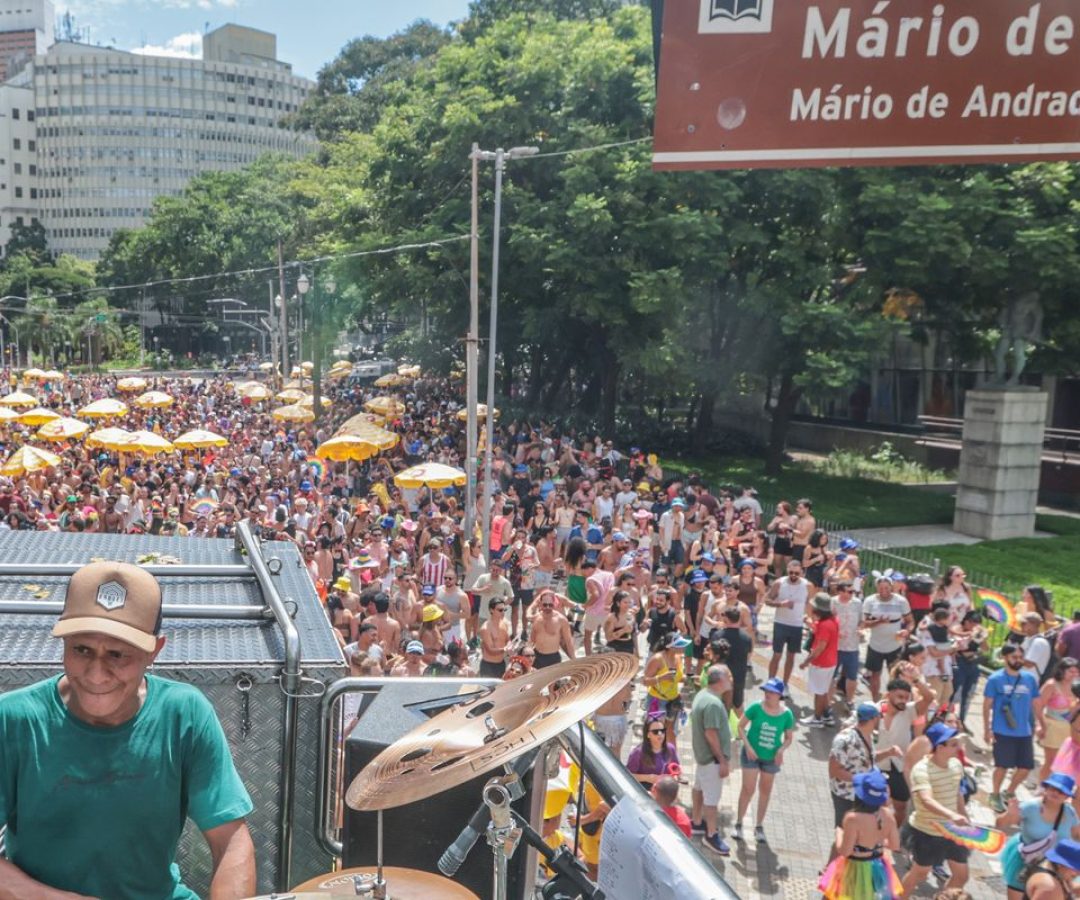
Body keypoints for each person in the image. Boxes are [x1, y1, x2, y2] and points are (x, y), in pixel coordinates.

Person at [0, 560, 256, 898]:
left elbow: (231, 840)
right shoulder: (14, 718)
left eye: (118, 655)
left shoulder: (184, 714)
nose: (96, 674)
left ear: (154, 651)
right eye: (81, 650)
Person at [901, 722, 971, 894]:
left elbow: (957, 793)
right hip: (927, 831)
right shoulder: (921, 770)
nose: (958, 747)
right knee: (920, 874)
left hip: (952, 831)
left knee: (961, 876)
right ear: (940, 747)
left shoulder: (955, 765)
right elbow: (926, 800)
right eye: (953, 744)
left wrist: (964, 816)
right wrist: (951, 815)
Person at [818, 768, 902, 900]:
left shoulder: (853, 818)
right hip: (877, 867)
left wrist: (839, 833)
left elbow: (845, 851)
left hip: (854, 868)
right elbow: (895, 845)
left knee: (834, 896)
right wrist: (875, 843)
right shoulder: (889, 816)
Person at [996, 773, 1080, 900]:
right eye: (1052, 788)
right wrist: (1009, 815)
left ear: (1067, 796)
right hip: (1026, 860)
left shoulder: (1070, 813)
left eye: (1061, 791)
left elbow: (1077, 834)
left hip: (1055, 864)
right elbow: (1000, 824)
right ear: (1045, 789)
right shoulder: (1031, 807)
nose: (1056, 793)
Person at [735, 677, 796, 844]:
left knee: (765, 790)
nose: (767, 694)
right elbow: (740, 726)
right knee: (748, 789)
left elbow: (789, 738)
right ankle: (739, 823)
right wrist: (748, 747)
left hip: (770, 759)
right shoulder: (756, 707)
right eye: (766, 691)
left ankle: (759, 826)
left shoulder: (787, 714)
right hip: (751, 755)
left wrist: (781, 750)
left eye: (772, 692)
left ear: (779, 695)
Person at [985, 642, 1041, 813]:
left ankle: (1009, 792)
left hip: (1024, 730)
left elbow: (1035, 703)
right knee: (1002, 765)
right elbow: (987, 704)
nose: (1018, 660)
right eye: (1014, 657)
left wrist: (1040, 723)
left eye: (1020, 657)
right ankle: (994, 794)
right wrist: (987, 728)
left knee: (1025, 767)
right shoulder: (995, 679)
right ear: (1004, 657)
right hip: (1002, 730)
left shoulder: (1029, 679)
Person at [689, 666, 733, 856]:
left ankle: (697, 822)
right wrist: (722, 760)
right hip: (711, 760)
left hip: (702, 757)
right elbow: (711, 733)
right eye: (729, 676)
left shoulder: (702, 694)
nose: (732, 679)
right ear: (720, 680)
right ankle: (711, 834)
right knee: (712, 800)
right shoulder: (714, 704)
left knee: (698, 789)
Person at [764, 558, 812, 695]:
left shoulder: (807, 586)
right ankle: (771, 681)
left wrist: (810, 620)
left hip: (797, 625)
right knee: (777, 655)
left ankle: (785, 684)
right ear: (787, 571)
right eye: (791, 572)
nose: (793, 575)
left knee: (791, 657)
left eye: (797, 573)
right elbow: (767, 600)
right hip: (780, 623)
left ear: (802, 573)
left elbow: (810, 603)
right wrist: (780, 604)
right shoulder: (780, 583)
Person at [863, 574, 913, 702]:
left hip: (894, 645)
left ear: (891, 587)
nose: (884, 591)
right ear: (876, 588)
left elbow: (910, 621)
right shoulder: (870, 601)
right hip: (876, 645)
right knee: (875, 675)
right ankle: (875, 701)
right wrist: (878, 622)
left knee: (895, 675)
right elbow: (864, 623)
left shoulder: (901, 601)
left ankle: (893, 701)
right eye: (881, 588)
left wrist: (906, 631)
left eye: (886, 588)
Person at [643, 631, 690, 743]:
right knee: (656, 735)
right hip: (657, 701)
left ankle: (671, 758)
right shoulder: (657, 659)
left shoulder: (678, 658)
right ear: (671, 647)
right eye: (680, 644)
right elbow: (645, 681)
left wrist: (688, 679)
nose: (683, 647)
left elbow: (677, 677)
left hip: (673, 701)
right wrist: (660, 678)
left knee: (671, 733)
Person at [800, 592, 840, 728]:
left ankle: (817, 718)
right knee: (822, 690)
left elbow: (820, 648)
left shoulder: (824, 625)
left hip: (821, 664)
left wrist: (806, 661)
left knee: (819, 692)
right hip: (830, 662)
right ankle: (826, 715)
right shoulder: (832, 621)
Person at [1039, 658, 1080, 782]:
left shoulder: (1077, 687)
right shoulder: (1052, 684)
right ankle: (1042, 786)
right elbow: (1038, 706)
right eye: (1071, 671)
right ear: (1061, 671)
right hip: (1053, 726)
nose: (1074, 674)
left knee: (1065, 763)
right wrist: (1039, 725)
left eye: (1076, 671)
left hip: (1071, 730)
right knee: (1051, 761)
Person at [951, 609, 988, 729]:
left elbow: (986, 648)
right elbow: (957, 641)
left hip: (972, 665)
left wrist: (981, 638)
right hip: (959, 664)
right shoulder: (958, 629)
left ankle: (962, 721)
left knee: (967, 695)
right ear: (966, 622)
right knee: (955, 692)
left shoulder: (978, 633)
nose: (974, 626)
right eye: (972, 622)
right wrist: (969, 635)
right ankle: (947, 717)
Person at [626, 713, 680, 787]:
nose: (660, 734)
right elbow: (627, 776)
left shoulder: (670, 749)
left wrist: (675, 776)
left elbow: (676, 767)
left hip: (665, 789)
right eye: (656, 732)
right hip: (645, 790)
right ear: (648, 734)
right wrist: (648, 778)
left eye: (662, 731)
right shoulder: (638, 753)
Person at [832, 580, 863, 707]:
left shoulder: (857, 603)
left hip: (852, 645)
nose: (852, 594)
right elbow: (827, 620)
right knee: (832, 676)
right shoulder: (832, 602)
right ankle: (827, 700)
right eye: (849, 591)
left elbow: (862, 621)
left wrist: (860, 629)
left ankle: (849, 701)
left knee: (852, 676)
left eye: (853, 592)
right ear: (840, 591)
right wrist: (835, 632)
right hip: (835, 646)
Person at [528, 589, 576, 669]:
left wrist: (574, 660)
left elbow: (568, 642)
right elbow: (532, 640)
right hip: (537, 657)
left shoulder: (561, 620)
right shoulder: (536, 618)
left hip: (553, 658)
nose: (547, 607)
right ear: (540, 604)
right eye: (545, 605)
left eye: (550, 605)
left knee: (552, 681)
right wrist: (526, 657)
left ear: (554, 604)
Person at [479, 597, 513, 678]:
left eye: (504, 610)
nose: (503, 613)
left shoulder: (504, 623)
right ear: (491, 610)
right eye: (500, 610)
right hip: (488, 666)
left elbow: (508, 639)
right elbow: (490, 650)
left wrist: (510, 645)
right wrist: (504, 649)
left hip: (501, 664)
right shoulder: (486, 628)